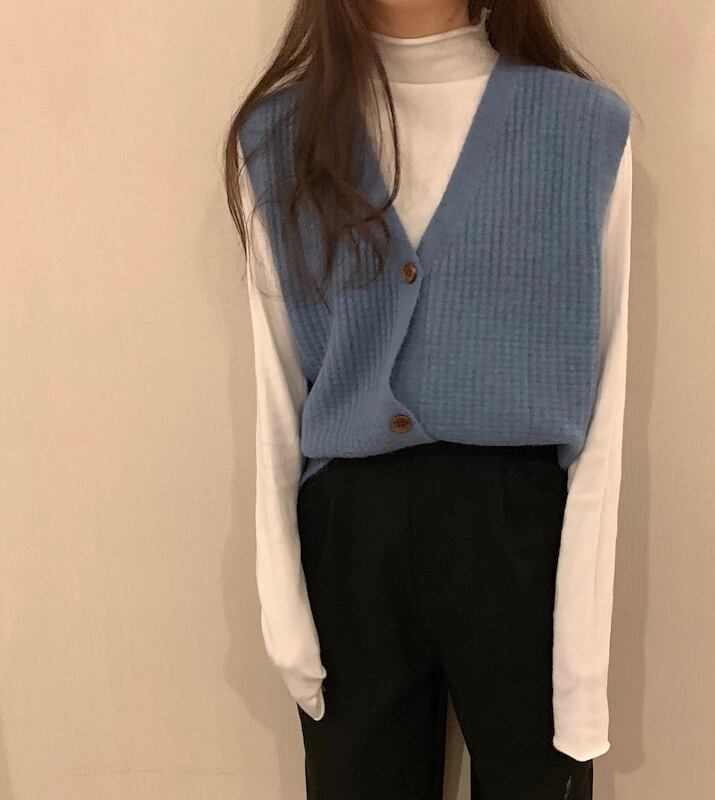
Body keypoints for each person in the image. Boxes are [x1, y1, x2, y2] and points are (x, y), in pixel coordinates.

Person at [225, 1, 632, 797]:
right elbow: (277, 389)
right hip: (350, 543)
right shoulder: (279, 139)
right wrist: (282, 597)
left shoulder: (584, 128)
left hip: (520, 535)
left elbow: (605, 405)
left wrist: (583, 655)